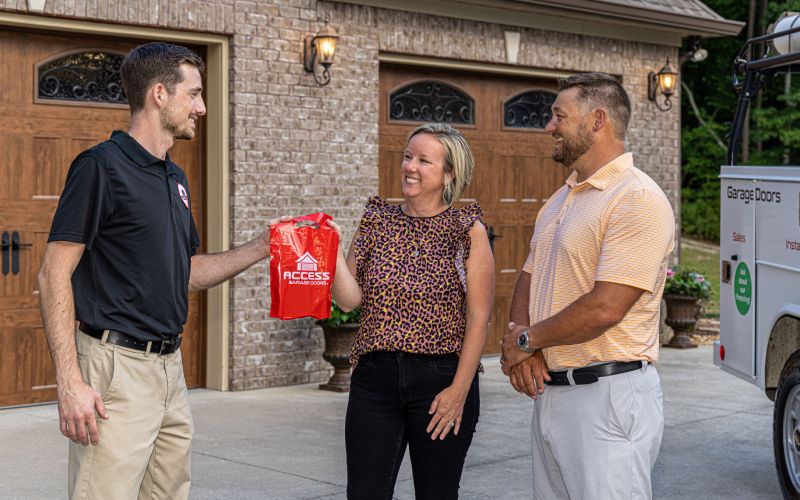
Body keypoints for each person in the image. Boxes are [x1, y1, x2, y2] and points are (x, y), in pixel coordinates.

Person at [37, 42, 281, 500]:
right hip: (115, 370)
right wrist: (70, 381)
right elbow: (53, 274)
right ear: (159, 95)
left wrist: (261, 247)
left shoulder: (174, 178)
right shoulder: (100, 168)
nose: (202, 107)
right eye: (194, 94)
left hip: (170, 368)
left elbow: (185, 272)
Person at [500, 72, 675, 500]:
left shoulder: (636, 198)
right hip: (552, 393)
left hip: (607, 399)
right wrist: (522, 339)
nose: (549, 125)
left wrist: (527, 339)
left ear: (598, 120)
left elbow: (606, 307)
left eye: (560, 115)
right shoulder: (562, 198)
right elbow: (528, 274)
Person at [328, 123, 494, 500]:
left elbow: (478, 317)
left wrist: (459, 391)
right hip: (375, 380)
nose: (410, 167)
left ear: (450, 173)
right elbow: (348, 300)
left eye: (424, 160)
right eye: (407, 156)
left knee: (437, 494)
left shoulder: (467, 229)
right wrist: (333, 253)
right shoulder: (377, 219)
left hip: (440, 381)